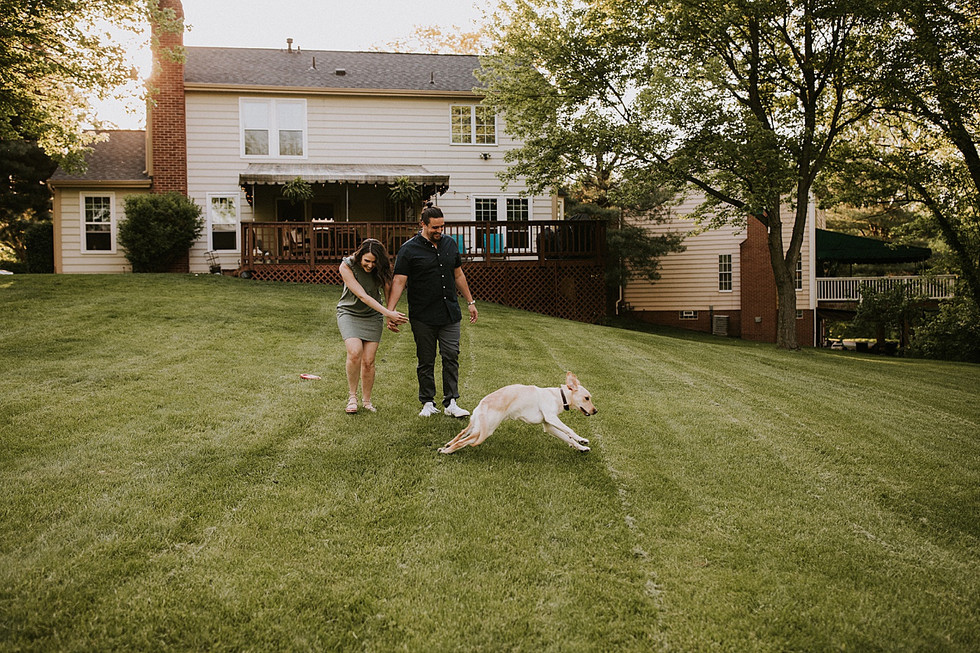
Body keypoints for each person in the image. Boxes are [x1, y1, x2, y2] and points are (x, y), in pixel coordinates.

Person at [386, 204, 478, 417]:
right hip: (423, 315)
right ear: (423, 225)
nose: (439, 231)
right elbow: (399, 281)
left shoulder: (450, 244)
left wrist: (470, 302)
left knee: (451, 355)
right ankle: (428, 402)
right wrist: (390, 311)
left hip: (449, 313)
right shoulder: (409, 249)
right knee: (426, 359)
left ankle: (451, 403)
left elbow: (458, 275)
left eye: (442, 227)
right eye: (435, 227)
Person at [337, 238, 407, 414]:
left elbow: (388, 290)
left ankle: (367, 401)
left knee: (368, 361)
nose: (369, 265)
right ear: (360, 256)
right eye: (367, 261)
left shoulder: (381, 269)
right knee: (354, 353)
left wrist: (391, 313)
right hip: (349, 312)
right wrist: (388, 313)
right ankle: (352, 397)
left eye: (374, 262)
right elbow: (362, 296)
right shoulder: (346, 266)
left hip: (372, 316)